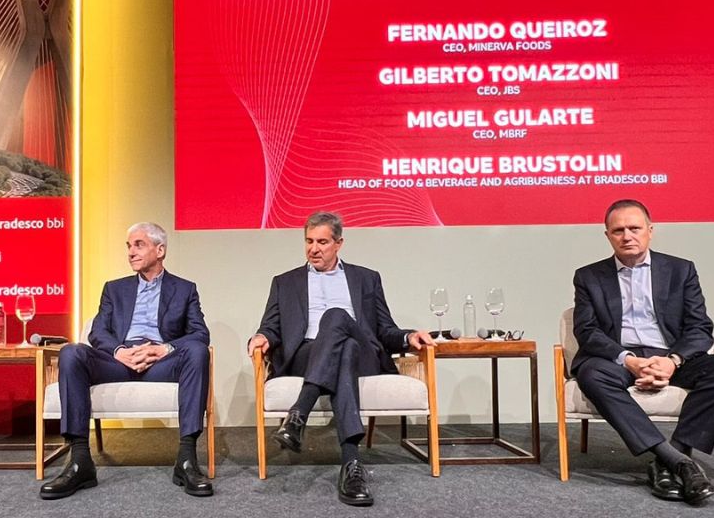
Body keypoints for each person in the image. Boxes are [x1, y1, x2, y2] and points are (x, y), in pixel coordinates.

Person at [248, 212, 434, 507]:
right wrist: (261, 337)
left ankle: (299, 413)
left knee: (336, 317)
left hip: (364, 355)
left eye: (322, 242)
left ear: (339, 243)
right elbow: (270, 326)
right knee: (343, 350)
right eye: (309, 241)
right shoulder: (285, 282)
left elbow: (385, 329)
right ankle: (351, 464)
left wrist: (408, 336)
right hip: (307, 354)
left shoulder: (366, 278)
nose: (314, 249)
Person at [571, 199, 714, 505]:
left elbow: (699, 327)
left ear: (650, 231)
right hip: (620, 359)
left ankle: (670, 459)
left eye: (634, 228)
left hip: (671, 356)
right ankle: (677, 461)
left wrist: (672, 361)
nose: (627, 236)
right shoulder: (589, 276)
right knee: (591, 373)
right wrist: (629, 360)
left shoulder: (680, 270)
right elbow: (587, 331)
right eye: (618, 230)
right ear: (607, 235)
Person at [40, 222, 212, 499]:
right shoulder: (114, 289)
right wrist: (119, 351)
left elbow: (200, 333)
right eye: (129, 246)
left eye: (139, 245)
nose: (131, 252)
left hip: (160, 363)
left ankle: (187, 460)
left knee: (197, 351)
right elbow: (98, 331)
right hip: (118, 361)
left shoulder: (184, 289)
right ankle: (80, 461)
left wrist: (163, 349)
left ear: (160, 250)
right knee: (71, 352)